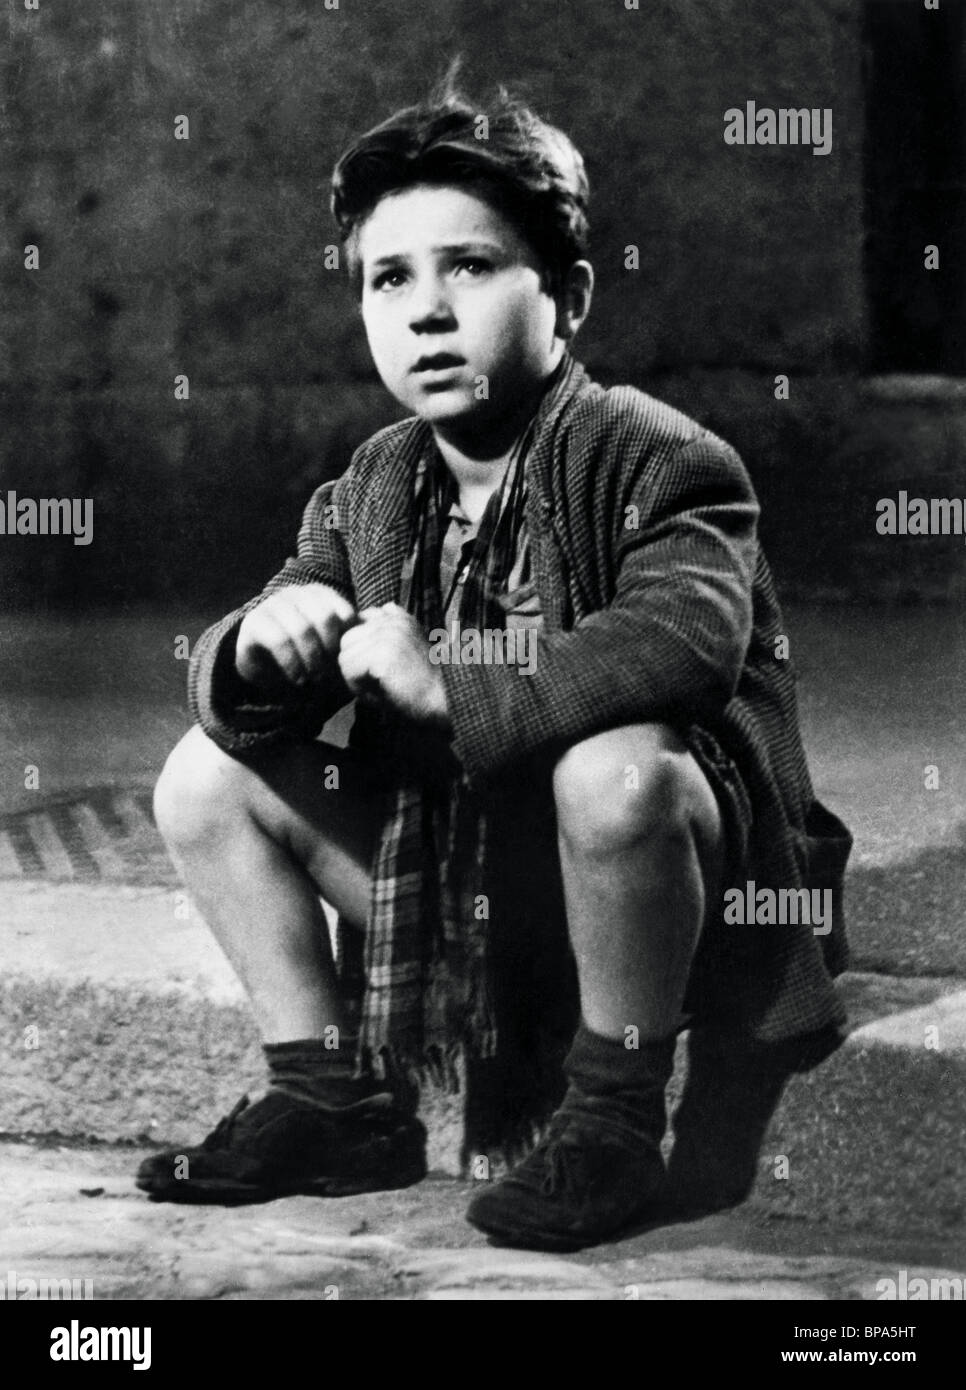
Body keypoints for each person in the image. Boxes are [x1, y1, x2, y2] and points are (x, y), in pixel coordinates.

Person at [137, 74, 852, 1252]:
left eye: (468, 268)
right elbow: (266, 623)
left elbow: (682, 644)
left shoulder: (663, 459)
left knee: (616, 770)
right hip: (476, 895)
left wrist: (450, 689)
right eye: (389, 277)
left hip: (659, 898)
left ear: (566, 298)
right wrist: (259, 644)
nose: (426, 311)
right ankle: (333, 1097)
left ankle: (616, 1117)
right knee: (204, 774)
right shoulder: (372, 485)